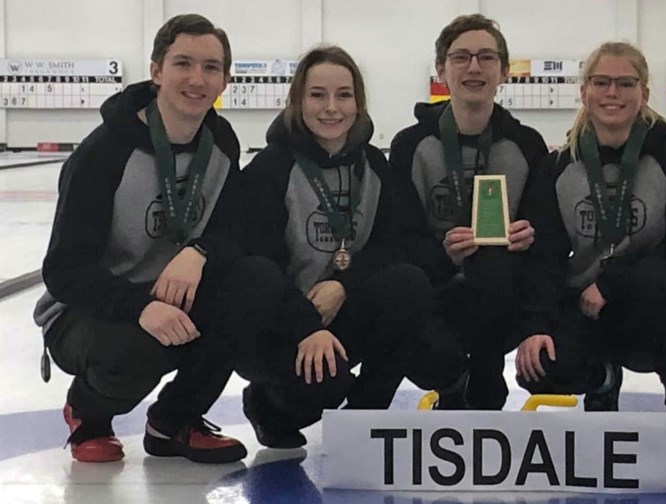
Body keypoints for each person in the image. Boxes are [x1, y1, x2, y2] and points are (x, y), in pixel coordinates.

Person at [33, 14, 249, 464]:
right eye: (183, 63)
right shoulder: (104, 152)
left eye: (211, 67)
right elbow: (64, 271)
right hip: (88, 311)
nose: (197, 78)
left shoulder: (222, 144)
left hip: (172, 295)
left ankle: (175, 421)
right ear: (156, 71)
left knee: (246, 292)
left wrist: (198, 251)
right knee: (138, 347)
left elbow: (234, 230)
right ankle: (88, 414)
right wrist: (141, 307)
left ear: (225, 78)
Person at [236, 46, 454, 448]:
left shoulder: (374, 165)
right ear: (298, 101)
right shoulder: (270, 168)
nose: (331, 108)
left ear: (359, 102)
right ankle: (267, 402)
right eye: (318, 95)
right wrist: (304, 324)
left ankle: (364, 421)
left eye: (344, 95)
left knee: (409, 284)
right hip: (283, 321)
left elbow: (395, 246)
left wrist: (344, 284)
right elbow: (257, 265)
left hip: (338, 309)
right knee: (322, 390)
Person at [513, 42, 666, 454]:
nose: (612, 93)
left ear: (644, 94)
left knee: (662, 282)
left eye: (625, 83)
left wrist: (615, 282)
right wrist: (536, 326)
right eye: (601, 82)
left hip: (648, 302)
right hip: (582, 301)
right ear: (584, 92)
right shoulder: (560, 165)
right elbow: (544, 255)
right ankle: (601, 380)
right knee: (538, 368)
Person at [389, 14, 548, 410]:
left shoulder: (527, 145)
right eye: (461, 57)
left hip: (500, 298)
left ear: (504, 71)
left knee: (493, 262)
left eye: (486, 57)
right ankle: (451, 379)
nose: (474, 67)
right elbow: (397, 237)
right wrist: (443, 253)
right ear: (441, 68)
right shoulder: (410, 145)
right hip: (435, 292)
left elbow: (548, 234)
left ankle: (486, 383)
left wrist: (530, 235)